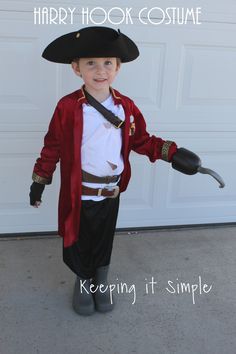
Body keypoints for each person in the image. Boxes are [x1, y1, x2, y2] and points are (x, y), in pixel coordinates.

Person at [29, 26, 200, 316]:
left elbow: (142, 140)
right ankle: (83, 282)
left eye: (107, 63)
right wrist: (40, 180)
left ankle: (101, 282)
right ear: (76, 68)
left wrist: (172, 153)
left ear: (118, 67)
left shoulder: (126, 108)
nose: (100, 71)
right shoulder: (68, 107)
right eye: (91, 63)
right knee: (80, 239)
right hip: (79, 193)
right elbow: (53, 145)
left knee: (104, 238)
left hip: (111, 192)